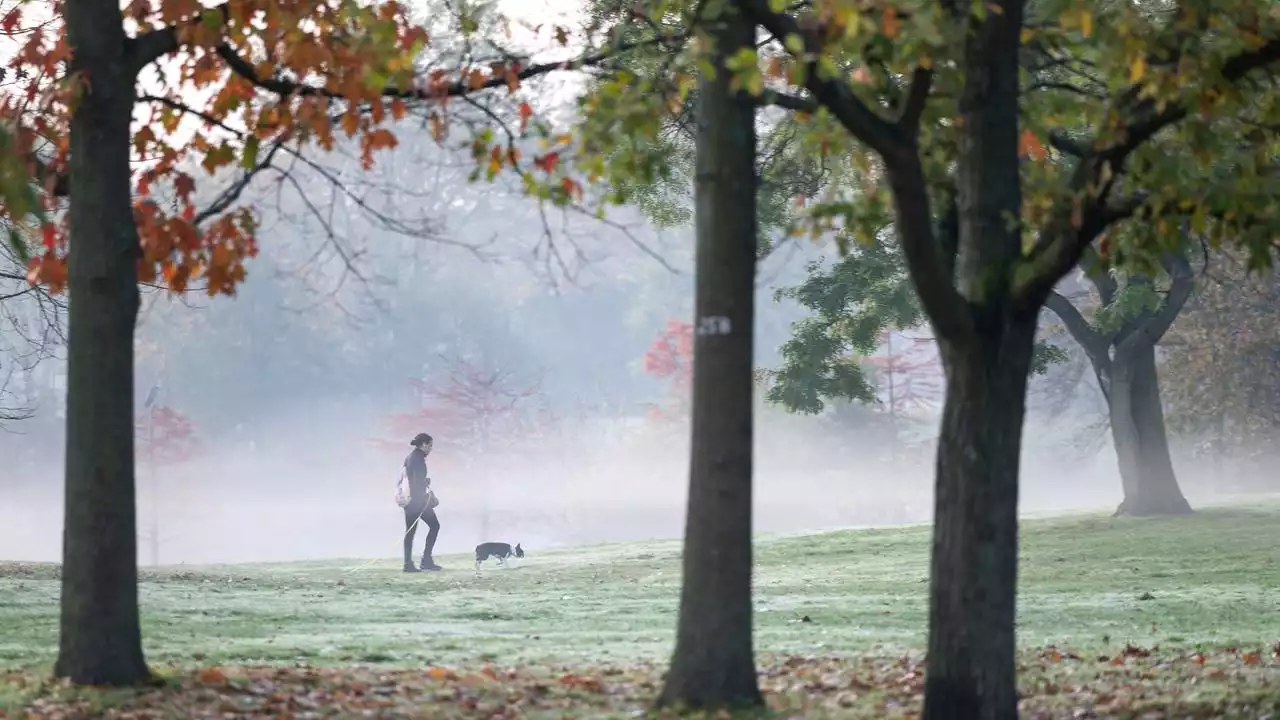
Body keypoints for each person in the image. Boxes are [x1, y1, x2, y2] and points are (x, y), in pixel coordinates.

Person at [402, 432, 442, 572]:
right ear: (423, 444)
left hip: (409, 501)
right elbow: (418, 482)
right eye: (430, 445)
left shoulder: (410, 457)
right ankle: (425, 560)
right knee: (435, 526)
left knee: (410, 532)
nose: (431, 449)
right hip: (417, 502)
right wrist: (426, 486)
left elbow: (409, 479)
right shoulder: (418, 459)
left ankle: (408, 563)